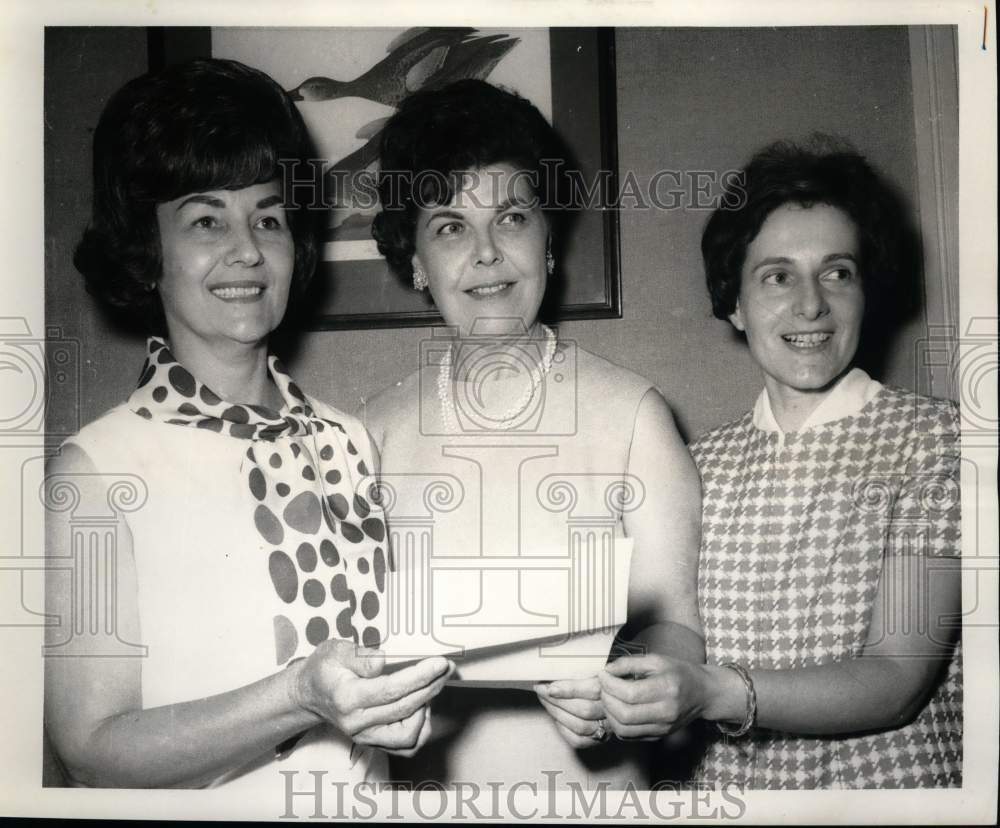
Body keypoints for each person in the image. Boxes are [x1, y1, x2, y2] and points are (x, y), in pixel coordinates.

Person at [44, 58, 453, 790]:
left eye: (268, 216)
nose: (247, 248)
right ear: (147, 250)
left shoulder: (348, 441)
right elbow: (88, 747)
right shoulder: (95, 472)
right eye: (206, 219)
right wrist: (296, 696)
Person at [365, 79, 704, 789]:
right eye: (450, 226)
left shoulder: (635, 416)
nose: (487, 253)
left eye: (512, 217)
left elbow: (674, 633)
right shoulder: (368, 435)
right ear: (416, 264)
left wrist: (623, 694)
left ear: (550, 240)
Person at [600, 139, 962, 788]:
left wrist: (713, 692)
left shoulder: (937, 441)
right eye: (777, 275)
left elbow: (897, 678)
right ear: (734, 303)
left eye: (837, 271)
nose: (810, 305)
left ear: (866, 292)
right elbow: (665, 641)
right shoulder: (695, 465)